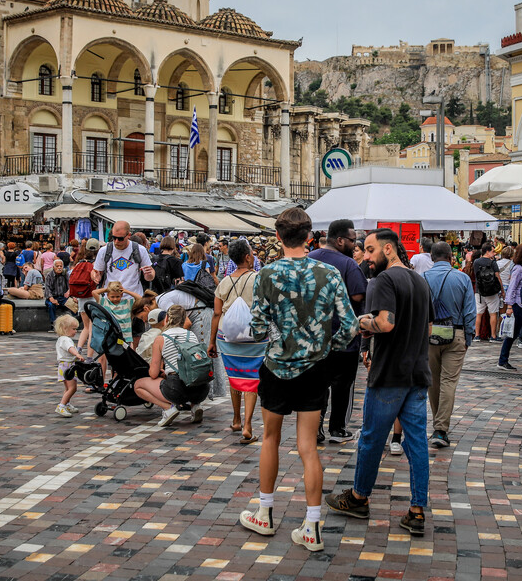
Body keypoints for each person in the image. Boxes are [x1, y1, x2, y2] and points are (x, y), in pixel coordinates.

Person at [239, 207, 358, 552]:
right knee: (308, 447)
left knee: (271, 439)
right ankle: (312, 525)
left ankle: (264, 512)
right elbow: (350, 326)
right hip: (315, 368)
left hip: (277, 367)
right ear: (310, 237)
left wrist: (279, 336)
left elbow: (258, 328)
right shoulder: (329, 273)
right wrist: (325, 346)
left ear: (278, 237)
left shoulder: (267, 275)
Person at [326, 227, 433, 537]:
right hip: (417, 372)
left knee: (371, 438)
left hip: (389, 375)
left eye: (371, 250)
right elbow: (426, 329)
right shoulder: (419, 281)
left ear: (389, 250)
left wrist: (361, 323)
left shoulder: (384, 280)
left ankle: (359, 497)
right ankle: (416, 510)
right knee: (417, 443)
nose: (367, 257)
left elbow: (385, 322)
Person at [309, 219, 367, 444]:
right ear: (340, 239)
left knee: (317, 385)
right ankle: (337, 429)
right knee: (342, 386)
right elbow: (358, 296)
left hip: (314, 338)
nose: (355, 245)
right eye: (352, 240)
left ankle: (316, 427)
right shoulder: (348, 264)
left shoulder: (309, 259)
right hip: (343, 339)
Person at [208, 239, 265, 444]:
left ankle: (236, 419)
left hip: (227, 336)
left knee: (234, 376)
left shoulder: (223, 282)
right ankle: (249, 425)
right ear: (248, 257)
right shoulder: (259, 279)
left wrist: (212, 341)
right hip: (254, 338)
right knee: (251, 379)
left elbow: (216, 314)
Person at [423, 241, 476, 448]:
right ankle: (440, 428)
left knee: (433, 382)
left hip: (428, 334)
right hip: (456, 333)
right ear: (450, 257)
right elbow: (470, 310)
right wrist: (468, 337)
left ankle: (439, 425)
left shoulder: (422, 278)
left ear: (432, 257)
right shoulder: (461, 278)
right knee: (449, 382)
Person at [134, 304, 208, 426]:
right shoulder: (192, 335)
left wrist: (165, 371)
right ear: (184, 319)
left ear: (167, 318)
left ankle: (169, 409)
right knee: (187, 378)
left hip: (176, 389)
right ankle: (195, 406)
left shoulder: (161, 338)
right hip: (201, 388)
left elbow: (153, 374)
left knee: (138, 385)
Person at [91, 221, 155, 296]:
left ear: (129, 235)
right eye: (114, 238)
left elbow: (149, 276)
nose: (116, 241)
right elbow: (96, 272)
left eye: (120, 239)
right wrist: (95, 276)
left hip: (133, 298)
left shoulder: (140, 250)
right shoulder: (104, 250)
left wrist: (150, 274)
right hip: (110, 299)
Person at [498, 242, 522, 371]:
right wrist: (509, 306)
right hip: (518, 304)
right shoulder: (518, 268)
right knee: (512, 334)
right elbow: (512, 288)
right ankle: (502, 360)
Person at [54, 314, 85, 418]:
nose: (75, 331)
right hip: (68, 366)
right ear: (65, 328)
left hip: (63, 366)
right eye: (73, 329)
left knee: (67, 388)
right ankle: (61, 405)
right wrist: (77, 354)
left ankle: (66, 403)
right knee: (72, 388)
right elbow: (70, 348)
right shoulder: (66, 339)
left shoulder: (60, 339)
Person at [68, 247, 96, 356]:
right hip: (92, 297)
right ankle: (89, 356)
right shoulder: (94, 266)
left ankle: (78, 348)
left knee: (85, 327)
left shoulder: (79, 265)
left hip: (81, 299)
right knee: (92, 329)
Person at [473, 243, 503, 342]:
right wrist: (502, 290)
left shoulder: (476, 262)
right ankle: (493, 336)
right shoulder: (492, 263)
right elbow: (498, 277)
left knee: (479, 314)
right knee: (493, 314)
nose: (494, 253)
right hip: (492, 292)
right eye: (492, 251)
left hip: (479, 291)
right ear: (487, 251)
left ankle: (477, 335)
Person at [44, 259, 71, 332]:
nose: (59, 268)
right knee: (51, 305)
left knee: (73, 304)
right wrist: (51, 298)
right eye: (57, 266)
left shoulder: (65, 274)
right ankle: (53, 324)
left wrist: (69, 292)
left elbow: (70, 285)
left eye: (61, 266)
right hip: (53, 297)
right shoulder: (49, 275)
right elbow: (47, 288)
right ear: (53, 267)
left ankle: (73, 324)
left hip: (63, 297)